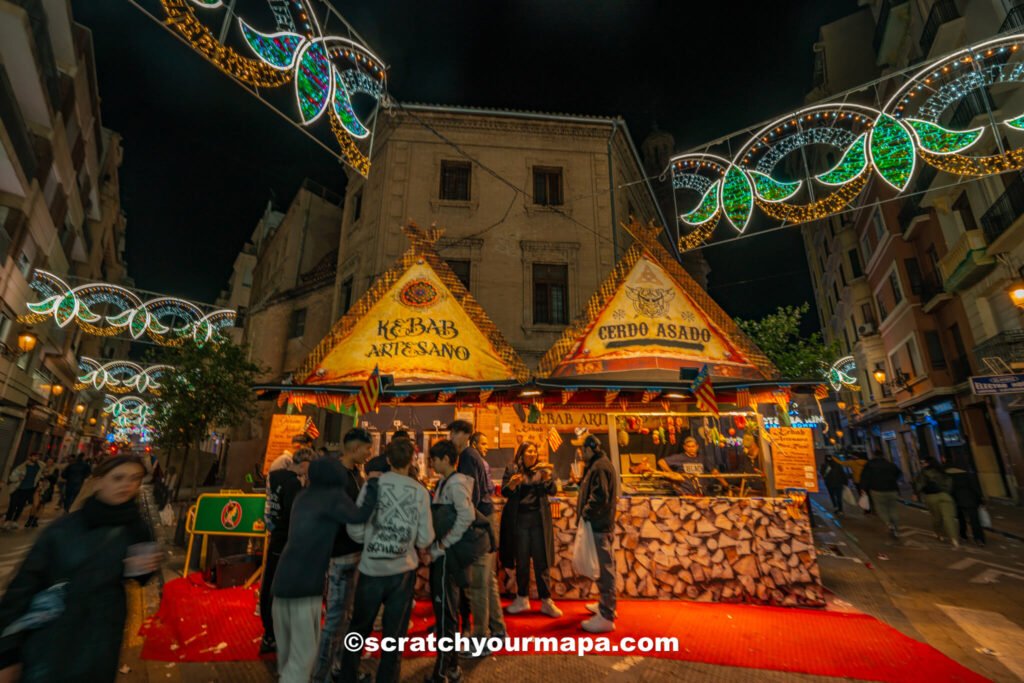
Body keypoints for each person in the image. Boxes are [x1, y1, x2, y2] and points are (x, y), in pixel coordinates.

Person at [0, 455, 161, 682]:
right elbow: (21, 589)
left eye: (134, 479)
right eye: (118, 478)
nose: (127, 485)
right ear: (98, 482)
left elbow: (140, 577)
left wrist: (144, 569)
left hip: (104, 637)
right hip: (52, 638)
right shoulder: (63, 529)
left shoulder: (137, 529)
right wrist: (7, 655)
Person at [271, 454, 379, 683]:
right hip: (304, 586)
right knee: (301, 664)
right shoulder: (333, 498)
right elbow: (360, 515)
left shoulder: (303, 496)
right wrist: (373, 485)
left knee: (289, 662)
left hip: (281, 584)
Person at [340, 438, 434, 683]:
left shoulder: (373, 486)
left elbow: (355, 527)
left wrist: (370, 540)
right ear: (413, 461)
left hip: (372, 567)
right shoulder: (419, 492)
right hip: (402, 572)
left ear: (388, 460)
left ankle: (347, 675)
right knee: (394, 636)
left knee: (358, 629)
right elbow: (425, 537)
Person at [313, 428, 374, 682]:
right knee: (335, 618)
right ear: (354, 448)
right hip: (339, 556)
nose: (369, 453)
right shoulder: (335, 476)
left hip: (355, 554)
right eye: (366, 448)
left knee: (347, 616)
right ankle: (320, 675)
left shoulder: (356, 473)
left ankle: (340, 667)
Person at [425, 439, 480, 683]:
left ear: (447, 459)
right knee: (448, 611)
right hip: (447, 555)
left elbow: (466, 516)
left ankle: (443, 670)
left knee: (446, 612)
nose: (432, 463)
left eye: (435, 459)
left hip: (448, 557)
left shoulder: (455, 484)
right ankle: (452, 666)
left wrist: (443, 544)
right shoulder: (447, 482)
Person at [449, 420, 506, 645]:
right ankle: (498, 628)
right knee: (488, 579)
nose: (451, 438)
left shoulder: (468, 457)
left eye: (454, 434)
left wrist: (463, 520)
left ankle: (481, 638)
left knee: (479, 582)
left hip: (479, 520)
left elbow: (470, 494)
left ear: (464, 435)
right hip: (485, 517)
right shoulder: (472, 457)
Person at [259, 448, 316, 654]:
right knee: (280, 587)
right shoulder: (293, 484)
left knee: (269, 582)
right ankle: (275, 632)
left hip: (275, 535)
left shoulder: (274, 477)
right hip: (286, 540)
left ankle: (269, 631)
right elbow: (296, 515)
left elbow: (270, 505)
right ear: (304, 463)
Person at [499, 441, 561, 618]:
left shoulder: (542, 470)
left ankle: (546, 601)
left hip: (539, 521)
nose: (532, 454)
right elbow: (505, 492)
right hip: (519, 522)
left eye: (534, 451)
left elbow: (553, 490)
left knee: (542, 561)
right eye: (528, 451)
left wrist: (548, 478)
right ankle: (522, 598)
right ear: (521, 454)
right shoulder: (512, 469)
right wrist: (511, 484)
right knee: (522, 561)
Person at [577, 435, 619, 634]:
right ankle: (605, 604)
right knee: (604, 566)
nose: (581, 454)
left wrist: (585, 512)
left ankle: (607, 615)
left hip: (598, 526)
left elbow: (600, 495)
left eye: (583, 450)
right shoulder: (600, 464)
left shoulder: (599, 467)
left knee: (604, 569)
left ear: (589, 449)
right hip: (602, 524)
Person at [914, 457, 958, 548]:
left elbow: (919, 484)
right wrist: (946, 491)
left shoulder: (923, 472)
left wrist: (916, 493)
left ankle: (939, 534)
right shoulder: (942, 470)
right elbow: (949, 482)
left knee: (936, 517)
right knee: (948, 517)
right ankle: (954, 538)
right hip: (945, 495)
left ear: (927, 463)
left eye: (924, 462)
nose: (923, 464)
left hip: (931, 496)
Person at [859, 452, 902, 538]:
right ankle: (896, 527)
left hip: (877, 490)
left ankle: (889, 524)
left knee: (881, 509)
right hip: (892, 489)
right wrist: (893, 480)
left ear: (873, 456)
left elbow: (865, 477)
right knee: (893, 509)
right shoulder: (890, 464)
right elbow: (898, 473)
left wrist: (863, 488)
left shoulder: (870, 465)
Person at [946, 464, 985, 546]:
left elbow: (949, 490)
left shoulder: (949, 477)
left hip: (957, 500)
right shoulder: (967, 475)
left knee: (961, 520)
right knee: (975, 520)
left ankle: (963, 535)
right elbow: (975, 488)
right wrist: (980, 499)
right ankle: (979, 538)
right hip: (971, 499)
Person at [4, 453, 44, 530]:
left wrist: (40, 483)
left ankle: (14, 521)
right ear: (30, 457)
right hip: (17, 489)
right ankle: (7, 521)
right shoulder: (22, 467)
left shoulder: (39, 467)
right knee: (12, 505)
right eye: (34, 456)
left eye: (38, 457)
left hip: (29, 489)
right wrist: (18, 478)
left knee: (21, 506)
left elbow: (41, 475)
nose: (36, 458)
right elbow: (11, 478)